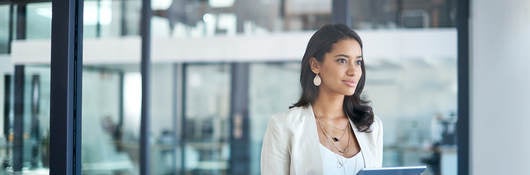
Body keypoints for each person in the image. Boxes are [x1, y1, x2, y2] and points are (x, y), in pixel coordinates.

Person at [261, 24, 383, 175]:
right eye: (342, 60)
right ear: (315, 65)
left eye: (358, 62)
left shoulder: (371, 126)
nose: (353, 71)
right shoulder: (283, 127)